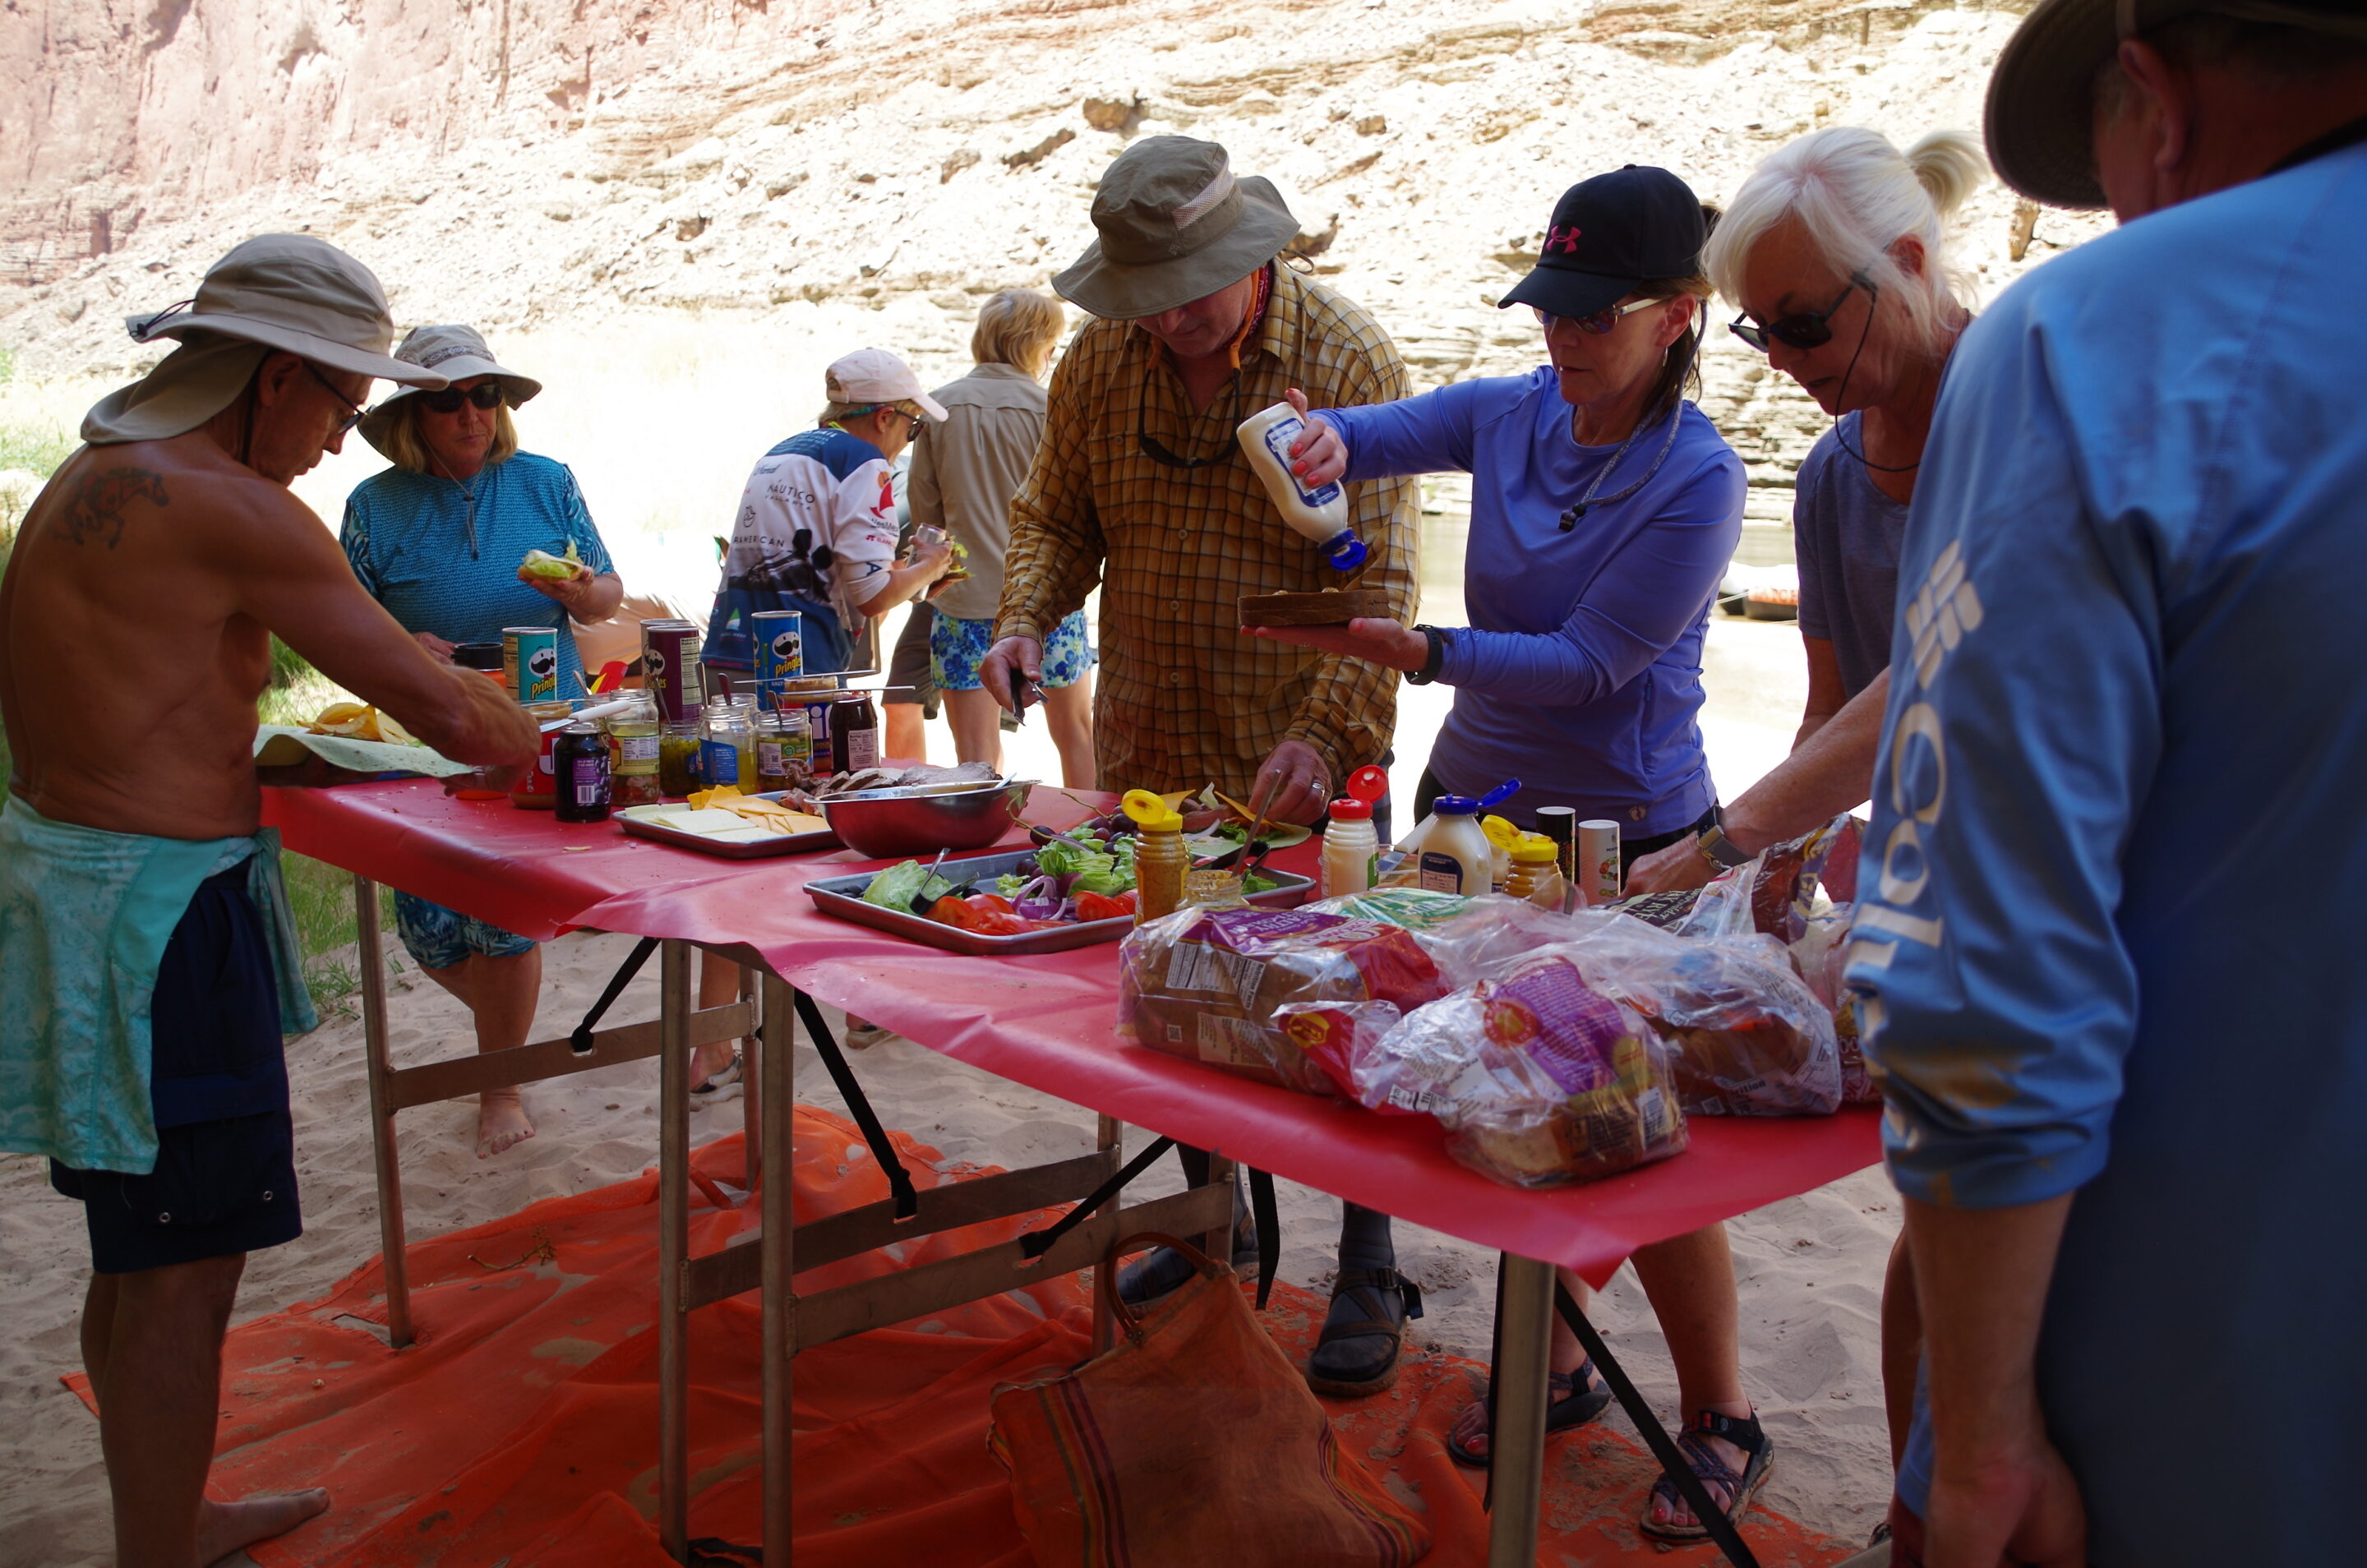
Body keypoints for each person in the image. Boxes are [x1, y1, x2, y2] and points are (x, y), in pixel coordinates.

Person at [1847, 2, 2367, 1564]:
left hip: (2192, 1390)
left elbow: (1985, 961)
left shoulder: (2101, 335)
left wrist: (1988, 1431)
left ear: (2155, 95)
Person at [0, 235, 538, 1568]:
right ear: (275, 377)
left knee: (135, 1251)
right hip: (164, 924)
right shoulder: (232, 504)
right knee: (187, 1269)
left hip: (82, 893)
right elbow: (456, 724)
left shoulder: (96, 475)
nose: (344, 442)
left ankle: (166, 1519)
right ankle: (159, 1549)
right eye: (343, 410)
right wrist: (556, 727)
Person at [1274, 166, 1771, 1542]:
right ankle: (1555, 1364)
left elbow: (1597, 665)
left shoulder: (1699, 476)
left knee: (1641, 1127)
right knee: (1516, 1100)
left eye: (1590, 318)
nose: (1561, 341)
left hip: (1628, 838)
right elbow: (1377, 434)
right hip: (1475, 815)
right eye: (1547, 308)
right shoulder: (1514, 409)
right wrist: (1321, 446)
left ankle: (1723, 1409)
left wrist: (1425, 650)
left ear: (1678, 315)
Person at [977, 135, 1423, 1398]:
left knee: (1335, 1018)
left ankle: (1369, 1264)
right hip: (1152, 754)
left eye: (1193, 291)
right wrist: (1024, 617)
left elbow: (1384, 581)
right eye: (1146, 297)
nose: (1169, 319)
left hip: (1302, 757)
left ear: (1255, 258)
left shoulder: (1346, 358)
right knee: (1174, 1010)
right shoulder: (1101, 362)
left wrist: (1323, 734)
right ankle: (1211, 1225)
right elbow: (1055, 516)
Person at [1618, 126, 1986, 1487]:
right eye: (1763, 336)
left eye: (1807, 323)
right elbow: (1838, 698)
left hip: (2080, 887)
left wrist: (1717, 840)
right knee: (1944, 1215)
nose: (1787, 361)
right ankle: (1913, 1507)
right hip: (1929, 891)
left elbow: (1934, 676)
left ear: (1905, 264)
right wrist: (1778, 881)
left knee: (1990, 1220)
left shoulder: (2023, 402)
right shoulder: (1836, 473)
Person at [342, 325, 634, 1157]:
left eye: (485, 395)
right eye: (447, 399)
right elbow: (346, 624)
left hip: (541, 723)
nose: (471, 414)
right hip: (432, 728)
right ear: (411, 414)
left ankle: (499, 1082)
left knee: (505, 921)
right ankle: (509, 1026)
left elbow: (604, 597)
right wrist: (402, 650)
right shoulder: (373, 505)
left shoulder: (545, 482)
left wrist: (582, 591)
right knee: (429, 928)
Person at [909, 288, 1096, 786]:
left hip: (963, 601)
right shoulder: (1051, 407)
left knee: (974, 758)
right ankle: (1097, 839)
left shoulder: (939, 410)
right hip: (1047, 603)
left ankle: (982, 853)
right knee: (1076, 734)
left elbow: (927, 519)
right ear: (1037, 344)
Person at [704, 348, 955, 679]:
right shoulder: (863, 462)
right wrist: (931, 566)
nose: (909, 442)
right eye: (913, 429)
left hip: (727, 653)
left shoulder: (782, 451)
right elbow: (872, 596)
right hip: (798, 663)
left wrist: (912, 580)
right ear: (884, 418)